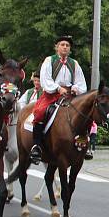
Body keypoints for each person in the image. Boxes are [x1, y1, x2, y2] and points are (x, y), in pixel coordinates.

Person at [30, 35, 87, 163]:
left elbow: (80, 81)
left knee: (85, 114)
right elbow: (45, 79)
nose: (65, 47)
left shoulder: (74, 63)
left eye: (67, 45)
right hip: (52, 94)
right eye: (62, 45)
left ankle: (84, 143)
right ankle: (36, 145)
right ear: (57, 47)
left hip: (70, 95)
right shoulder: (49, 61)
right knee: (40, 112)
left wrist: (76, 88)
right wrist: (57, 88)